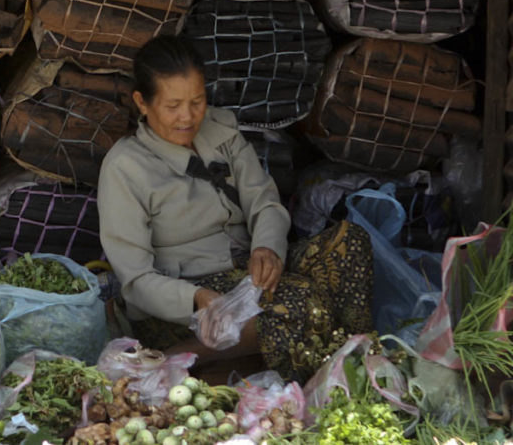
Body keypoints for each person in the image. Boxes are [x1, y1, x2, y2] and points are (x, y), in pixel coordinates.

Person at [98, 35, 373, 380]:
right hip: (189, 297)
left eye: (197, 101)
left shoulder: (220, 130)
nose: (188, 117)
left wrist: (267, 248)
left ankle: (353, 356)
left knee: (351, 245)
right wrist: (198, 298)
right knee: (304, 303)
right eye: (172, 106)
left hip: (248, 270)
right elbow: (136, 281)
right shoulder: (125, 167)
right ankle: (173, 359)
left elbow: (264, 201)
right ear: (142, 102)